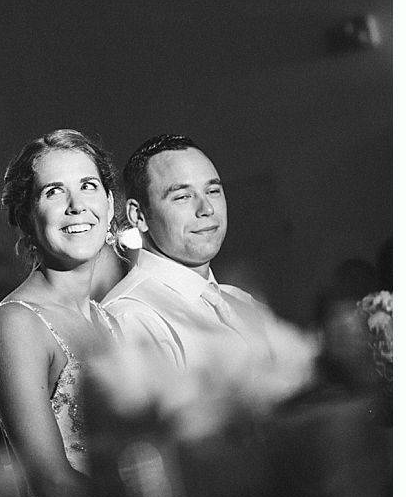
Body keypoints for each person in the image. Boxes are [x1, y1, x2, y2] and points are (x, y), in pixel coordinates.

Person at [0, 129, 120, 497]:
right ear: (26, 215)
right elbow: (52, 483)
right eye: (54, 192)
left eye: (88, 186)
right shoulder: (16, 324)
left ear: (109, 204)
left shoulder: (107, 318)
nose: (77, 206)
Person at [101, 134, 308, 370]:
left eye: (212, 191)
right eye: (182, 196)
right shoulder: (131, 317)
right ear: (138, 215)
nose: (206, 209)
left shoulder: (241, 301)